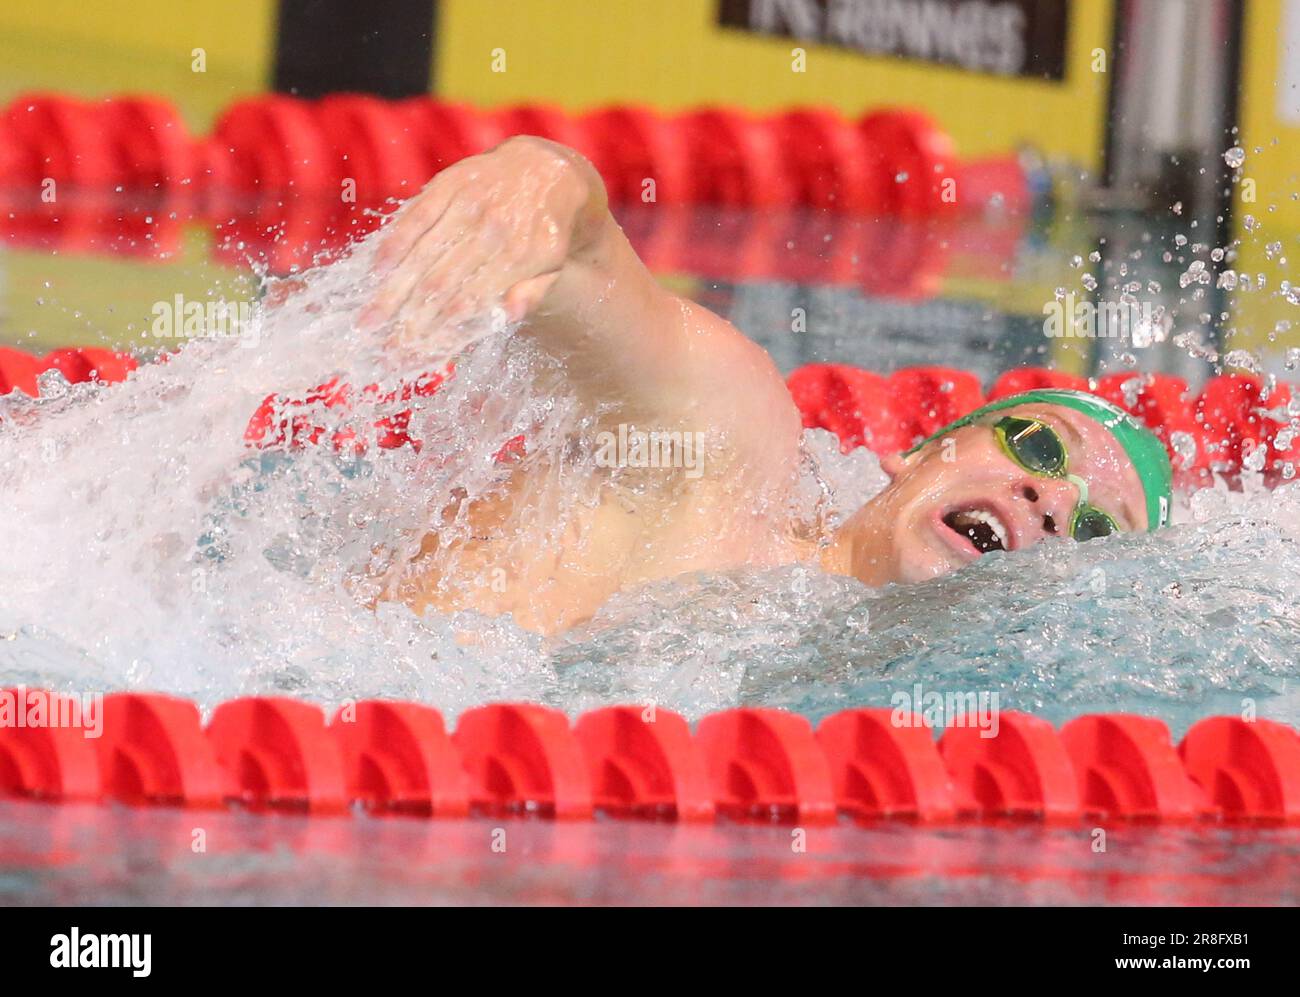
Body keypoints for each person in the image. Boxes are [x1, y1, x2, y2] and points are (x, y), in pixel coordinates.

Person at [356, 136, 1172, 634]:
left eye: (1098, 528)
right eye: (1035, 444)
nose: (1053, 499)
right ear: (918, 450)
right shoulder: (725, 461)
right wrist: (539, 176)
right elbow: (583, 253)